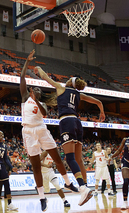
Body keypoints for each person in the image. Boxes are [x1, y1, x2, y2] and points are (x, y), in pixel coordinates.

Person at [36, 66, 105, 206]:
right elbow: (99, 102)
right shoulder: (79, 94)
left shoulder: (62, 88)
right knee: (79, 159)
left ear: (70, 83)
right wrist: (102, 113)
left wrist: (38, 68)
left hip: (66, 121)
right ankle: (85, 187)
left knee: (70, 157)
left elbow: (45, 77)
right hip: (78, 123)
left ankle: (82, 188)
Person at [21, 50, 78, 211]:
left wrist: (36, 100)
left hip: (41, 129)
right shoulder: (25, 98)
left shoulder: (42, 104)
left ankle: (68, 183)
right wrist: (26, 61)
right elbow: (22, 78)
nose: (38, 90)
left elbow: (44, 113)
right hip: (28, 132)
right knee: (36, 166)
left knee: (57, 158)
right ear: (31, 91)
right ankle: (41, 197)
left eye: (40, 90)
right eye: (36, 89)